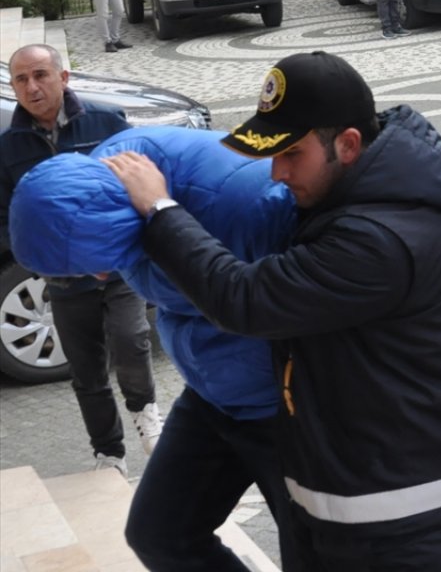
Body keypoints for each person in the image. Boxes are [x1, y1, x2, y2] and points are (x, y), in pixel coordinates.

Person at [103, 51, 441, 569]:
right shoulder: (399, 189)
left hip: (438, 519)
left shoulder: (377, 239)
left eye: (294, 154)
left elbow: (244, 300)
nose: (277, 172)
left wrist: (160, 209)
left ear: (349, 145)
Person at [8, 126, 303, 570]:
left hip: (284, 405)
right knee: (160, 534)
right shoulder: (98, 193)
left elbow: (304, 306)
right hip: (212, 392)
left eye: (99, 264)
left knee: (316, 552)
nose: (103, 279)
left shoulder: (243, 202)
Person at [0, 44, 161, 478]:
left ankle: (145, 410)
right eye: (21, 80)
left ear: (63, 77)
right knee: (87, 373)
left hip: (119, 268)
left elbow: (132, 189)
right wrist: (51, 257)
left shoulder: (107, 120)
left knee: (131, 340)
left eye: (40, 75)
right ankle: (108, 454)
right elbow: (10, 220)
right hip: (65, 280)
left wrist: (125, 243)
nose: (32, 87)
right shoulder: (8, 145)